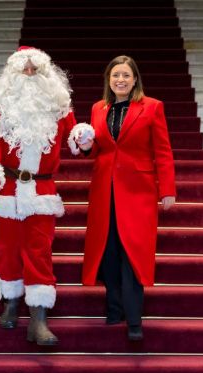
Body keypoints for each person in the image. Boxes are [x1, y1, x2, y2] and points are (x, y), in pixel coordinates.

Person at [0, 46, 87, 345]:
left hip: (41, 190)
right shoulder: (0, 107)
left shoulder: (58, 105)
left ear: (45, 73)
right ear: (12, 74)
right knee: (6, 248)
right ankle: (11, 302)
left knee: (39, 250)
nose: (28, 74)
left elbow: (73, 134)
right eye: (23, 70)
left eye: (34, 69)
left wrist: (82, 136)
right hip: (8, 189)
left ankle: (38, 319)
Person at [75, 55, 176, 341]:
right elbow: (96, 149)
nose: (120, 80)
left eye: (126, 75)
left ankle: (134, 320)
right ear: (109, 80)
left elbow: (163, 150)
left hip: (138, 190)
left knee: (132, 253)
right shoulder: (98, 108)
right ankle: (114, 310)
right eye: (115, 75)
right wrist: (83, 145)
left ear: (135, 80)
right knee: (109, 252)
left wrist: (167, 188)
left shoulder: (152, 107)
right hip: (104, 189)